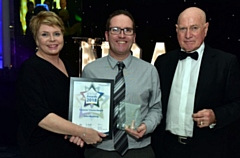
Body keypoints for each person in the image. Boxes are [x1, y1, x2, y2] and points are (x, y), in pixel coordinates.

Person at [152, 7, 240, 158]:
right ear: (176, 30)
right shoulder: (163, 62)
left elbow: (237, 103)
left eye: (194, 28)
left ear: (205, 29)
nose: (188, 35)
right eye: (183, 29)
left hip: (208, 150)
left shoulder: (226, 63)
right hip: (166, 149)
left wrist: (215, 116)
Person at [16, 11, 105, 158]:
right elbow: (41, 117)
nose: (52, 39)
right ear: (36, 39)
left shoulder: (66, 64)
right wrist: (82, 132)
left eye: (56, 34)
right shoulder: (30, 70)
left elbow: (73, 107)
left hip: (68, 145)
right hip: (42, 148)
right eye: (45, 34)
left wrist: (74, 132)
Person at [82, 10, 162, 158]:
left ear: (134, 36)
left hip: (139, 150)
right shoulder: (90, 71)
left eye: (128, 30)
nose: (122, 35)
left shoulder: (149, 71)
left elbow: (156, 109)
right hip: (100, 150)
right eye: (115, 30)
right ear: (107, 35)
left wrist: (147, 126)